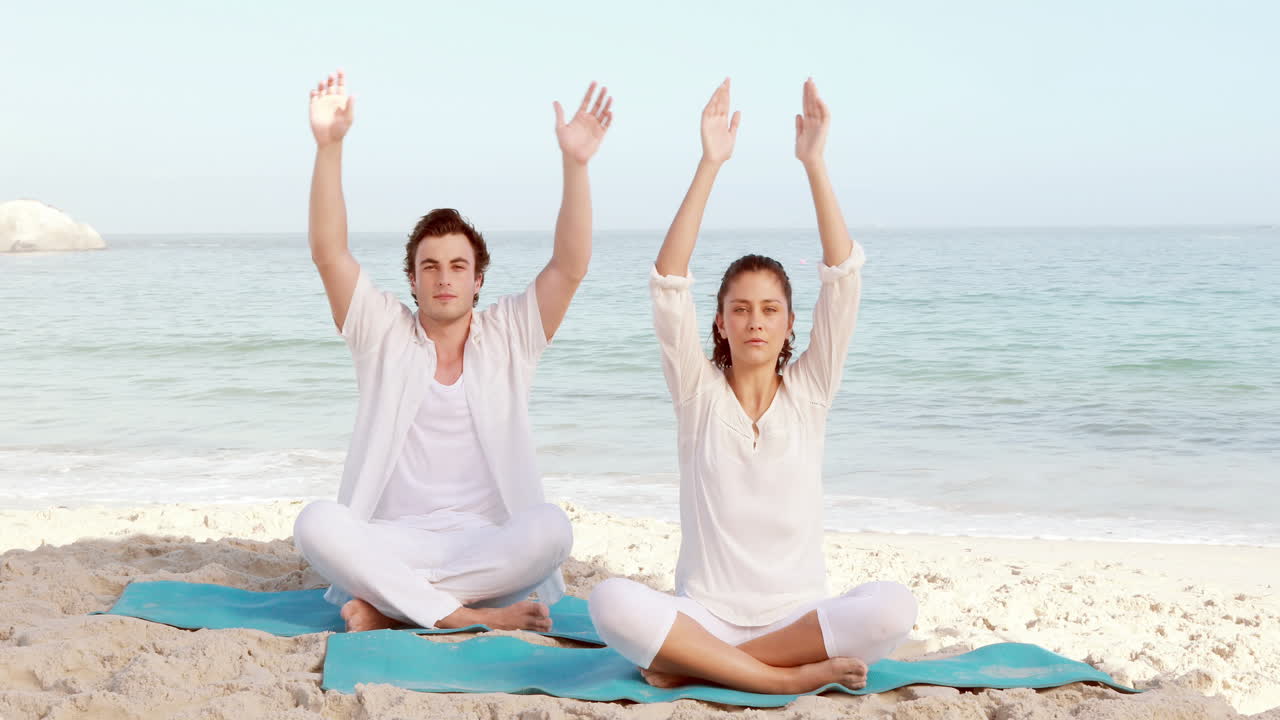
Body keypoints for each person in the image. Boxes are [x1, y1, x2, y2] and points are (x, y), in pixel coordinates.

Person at [588, 78, 916, 694]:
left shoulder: (811, 391)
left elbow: (843, 281)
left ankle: (707, 665)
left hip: (798, 617)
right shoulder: (697, 393)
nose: (755, 321)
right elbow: (668, 284)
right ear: (720, 322)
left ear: (790, 323)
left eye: (769, 309)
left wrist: (814, 162)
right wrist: (710, 162)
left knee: (894, 607)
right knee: (609, 601)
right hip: (704, 615)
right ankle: (780, 680)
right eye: (740, 309)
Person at [293, 70, 614, 633]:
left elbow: (570, 266)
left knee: (552, 530)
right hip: (394, 539)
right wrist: (329, 146)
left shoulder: (511, 334)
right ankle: (463, 614)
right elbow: (329, 254)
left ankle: (394, 606)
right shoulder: (382, 332)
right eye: (431, 267)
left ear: (478, 280)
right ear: (412, 280)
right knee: (315, 522)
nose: (444, 278)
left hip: (484, 543)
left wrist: (576, 165)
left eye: (458, 266)